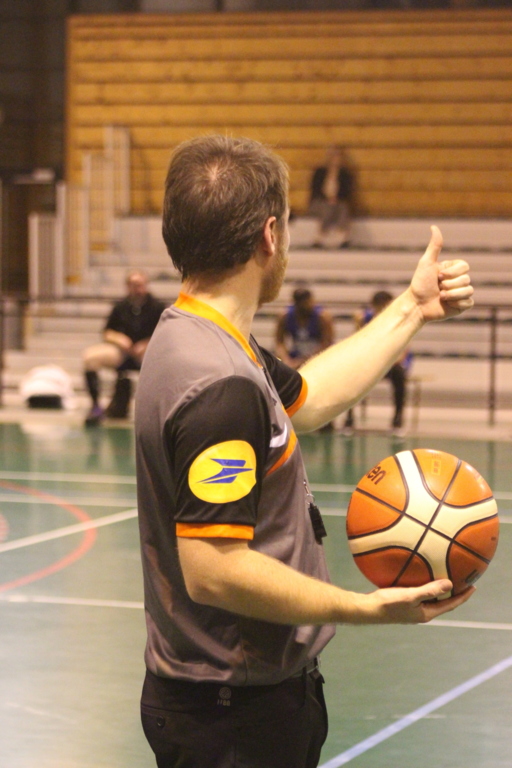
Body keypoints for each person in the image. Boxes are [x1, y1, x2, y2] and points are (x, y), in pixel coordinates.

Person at [135, 134, 475, 768]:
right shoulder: (221, 381)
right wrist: (365, 609)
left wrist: (413, 308)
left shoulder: (201, 335)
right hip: (234, 718)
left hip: (234, 703)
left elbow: (310, 400)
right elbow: (213, 569)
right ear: (271, 235)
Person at [82, 269, 165, 426]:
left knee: (161, 362)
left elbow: (165, 332)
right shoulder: (120, 306)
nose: (137, 289)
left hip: (147, 351)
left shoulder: (157, 307)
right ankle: (95, 406)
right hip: (123, 351)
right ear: (127, 286)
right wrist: (120, 339)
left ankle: (157, 409)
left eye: (140, 285)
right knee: (90, 358)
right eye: (133, 285)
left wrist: (146, 343)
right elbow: (107, 332)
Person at [343, 290, 412, 436]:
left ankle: (397, 419)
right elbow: (357, 344)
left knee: (399, 375)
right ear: (374, 306)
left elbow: (404, 348)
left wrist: (389, 361)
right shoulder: (363, 319)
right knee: (350, 376)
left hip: (391, 363)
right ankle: (349, 419)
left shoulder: (400, 319)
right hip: (371, 362)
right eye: (380, 306)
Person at [275, 286, 334, 369]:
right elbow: (279, 343)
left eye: (306, 303)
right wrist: (286, 360)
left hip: (318, 357)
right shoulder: (285, 316)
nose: (304, 307)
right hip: (295, 356)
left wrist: (304, 361)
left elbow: (327, 344)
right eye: (301, 304)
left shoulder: (323, 317)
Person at [308, 146, 355, 248]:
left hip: (337, 202)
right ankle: (320, 236)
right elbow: (315, 190)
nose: (335, 159)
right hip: (319, 202)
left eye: (338, 157)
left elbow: (347, 193)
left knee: (343, 208)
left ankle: (343, 236)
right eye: (333, 156)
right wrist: (327, 199)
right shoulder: (320, 172)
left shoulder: (345, 174)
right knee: (327, 208)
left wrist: (335, 199)